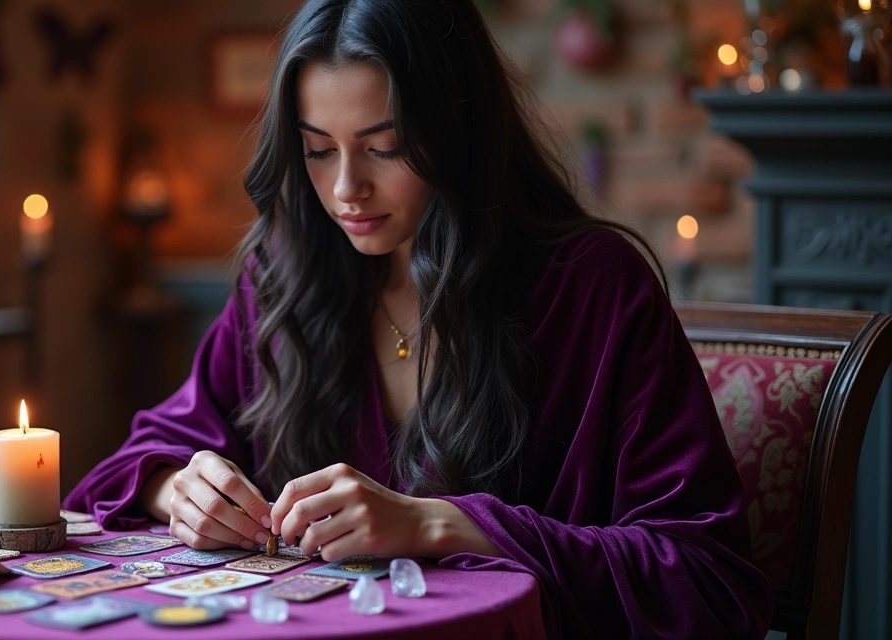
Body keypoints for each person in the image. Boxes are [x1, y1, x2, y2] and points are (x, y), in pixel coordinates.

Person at [64, 0, 773, 636]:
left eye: (385, 147)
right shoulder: (287, 279)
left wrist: (440, 523)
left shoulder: (591, 288)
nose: (346, 189)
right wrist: (177, 488)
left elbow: (706, 580)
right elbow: (136, 462)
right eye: (317, 150)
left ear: (457, 131)